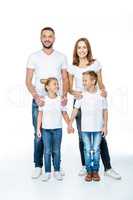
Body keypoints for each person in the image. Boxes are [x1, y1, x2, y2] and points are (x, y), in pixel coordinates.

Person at [67, 38, 121, 179]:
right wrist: (75, 93)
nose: (82, 50)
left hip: (95, 100)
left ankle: (108, 168)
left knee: (100, 136)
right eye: (79, 47)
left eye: (84, 47)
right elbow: (69, 88)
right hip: (80, 100)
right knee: (82, 136)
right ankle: (86, 166)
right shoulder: (73, 67)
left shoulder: (95, 64)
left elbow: (101, 83)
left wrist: (104, 91)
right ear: (76, 50)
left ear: (88, 49)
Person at [25, 27, 69, 179]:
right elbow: (28, 81)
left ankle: (57, 165)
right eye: (44, 36)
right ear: (40, 38)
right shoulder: (33, 57)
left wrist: (64, 95)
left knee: (55, 132)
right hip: (40, 101)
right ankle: (38, 165)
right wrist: (36, 96)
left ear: (54, 38)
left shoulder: (61, 57)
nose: (47, 39)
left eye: (50, 36)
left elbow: (65, 78)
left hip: (56, 101)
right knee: (39, 134)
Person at [68, 71, 108, 182]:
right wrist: (70, 122)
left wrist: (105, 126)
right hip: (85, 128)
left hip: (98, 128)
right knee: (86, 149)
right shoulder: (81, 95)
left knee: (95, 149)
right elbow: (75, 109)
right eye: (83, 80)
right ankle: (88, 171)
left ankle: (95, 171)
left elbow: (105, 110)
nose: (83, 82)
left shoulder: (101, 95)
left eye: (85, 80)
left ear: (93, 81)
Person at [37, 78, 70, 181]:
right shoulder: (43, 100)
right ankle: (47, 172)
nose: (57, 86)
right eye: (54, 84)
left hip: (57, 130)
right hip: (46, 130)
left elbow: (64, 113)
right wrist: (38, 128)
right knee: (47, 151)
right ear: (47, 87)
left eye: (57, 84)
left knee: (56, 150)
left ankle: (57, 170)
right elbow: (40, 115)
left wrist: (69, 124)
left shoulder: (61, 100)